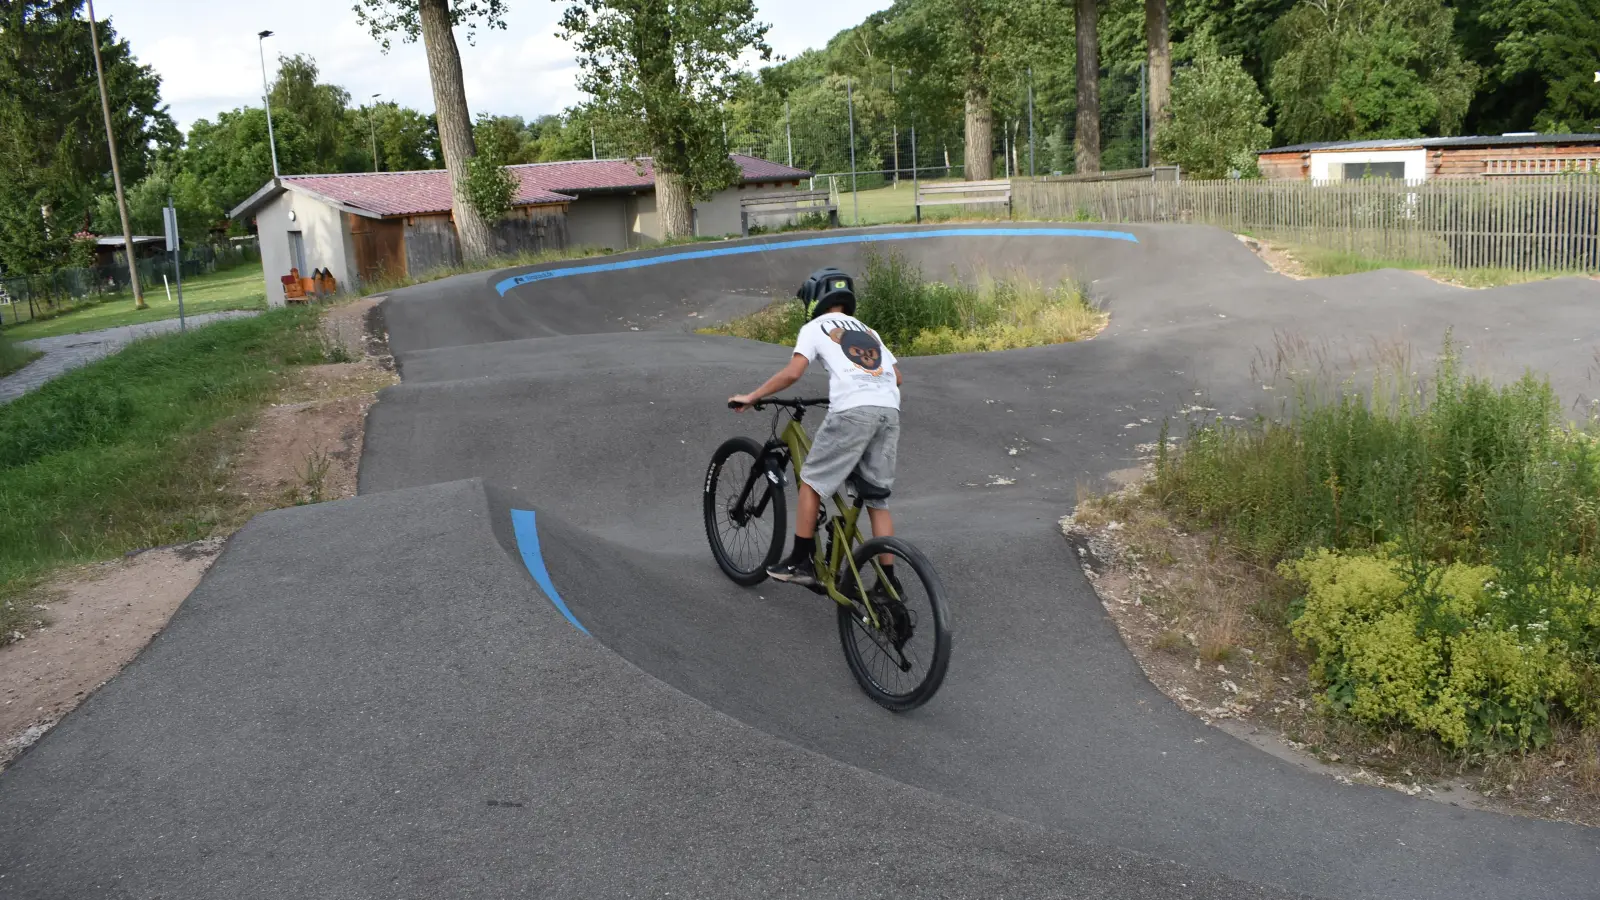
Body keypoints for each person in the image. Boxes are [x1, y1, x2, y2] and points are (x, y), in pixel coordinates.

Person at [729, 267, 903, 591]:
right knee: (877, 499)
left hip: (853, 411)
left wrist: (753, 397)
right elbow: (897, 377)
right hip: (888, 411)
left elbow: (794, 372)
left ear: (814, 298)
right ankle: (888, 584)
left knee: (811, 482)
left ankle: (800, 562)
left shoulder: (814, 327)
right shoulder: (868, 331)